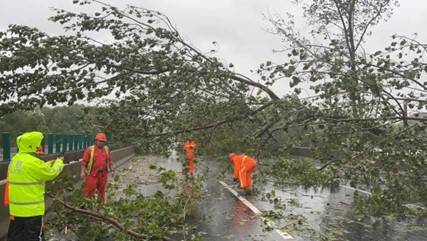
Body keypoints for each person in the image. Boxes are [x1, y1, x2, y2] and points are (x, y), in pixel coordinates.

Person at [6, 131, 64, 241]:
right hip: (32, 212)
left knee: (15, 237)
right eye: (39, 144)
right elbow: (51, 173)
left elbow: (34, 171)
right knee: (33, 238)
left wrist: (48, 164)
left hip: (16, 211)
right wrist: (59, 162)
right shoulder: (34, 163)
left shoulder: (15, 160)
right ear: (33, 145)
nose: (40, 147)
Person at [80, 132, 114, 204]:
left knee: (102, 191)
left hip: (103, 175)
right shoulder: (90, 150)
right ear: (96, 141)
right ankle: (85, 206)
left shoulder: (106, 150)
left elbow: (110, 161)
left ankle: (100, 207)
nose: (101, 143)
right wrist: (82, 172)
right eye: (100, 141)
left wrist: (112, 170)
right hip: (92, 175)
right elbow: (84, 162)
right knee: (89, 191)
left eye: (103, 141)